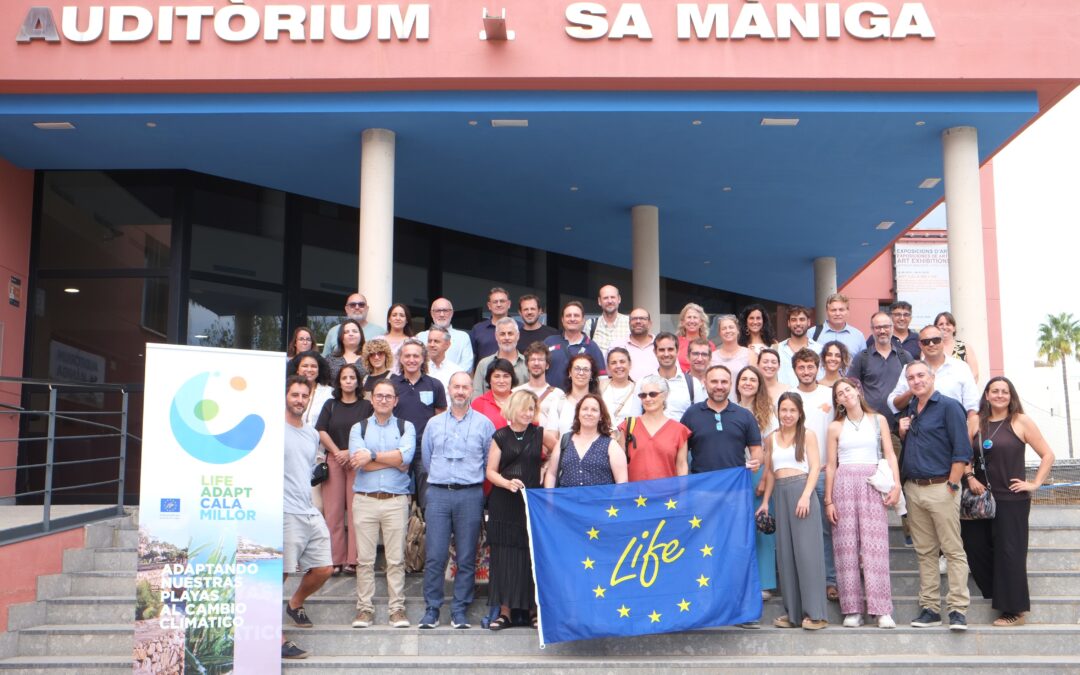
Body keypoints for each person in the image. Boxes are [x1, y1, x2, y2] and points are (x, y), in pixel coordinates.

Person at [961, 377, 1055, 627]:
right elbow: (962, 454)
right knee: (975, 546)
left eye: (1005, 391)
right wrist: (969, 476)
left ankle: (1014, 610)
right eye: (995, 391)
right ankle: (996, 593)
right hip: (978, 498)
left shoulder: (1020, 421)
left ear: (1011, 396)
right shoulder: (975, 421)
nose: (1000, 395)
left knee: (1009, 553)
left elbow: (1048, 454)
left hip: (1012, 499)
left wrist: (1034, 483)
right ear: (987, 395)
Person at [897, 361, 972, 631]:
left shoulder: (949, 406)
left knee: (952, 550)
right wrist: (902, 431)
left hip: (942, 486)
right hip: (914, 488)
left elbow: (962, 450)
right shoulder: (910, 410)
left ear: (932, 377)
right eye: (911, 378)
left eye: (920, 376)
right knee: (925, 552)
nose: (916, 381)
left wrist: (952, 485)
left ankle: (957, 609)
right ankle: (930, 608)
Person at [419, 372, 497, 630]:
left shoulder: (485, 424)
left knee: (466, 556)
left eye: (465, 387)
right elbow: (427, 459)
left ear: (471, 391)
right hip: (439, 494)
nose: (461, 391)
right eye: (456, 387)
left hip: (470, 494)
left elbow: (488, 462)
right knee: (435, 556)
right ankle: (432, 609)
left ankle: (459, 610)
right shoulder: (434, 423)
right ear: (449, 390)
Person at [824, 378, 900, 629]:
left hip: (871, 480)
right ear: (837, 401)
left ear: (857, 391)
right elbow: (832, 464)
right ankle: (853, 609)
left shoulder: (878, 420)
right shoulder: (835, 426)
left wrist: (896, 485)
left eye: (848, 389)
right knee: (845, 547)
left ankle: (881, 610)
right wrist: (829, 500)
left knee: (874, 545)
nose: (845, 394)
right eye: (839, 393)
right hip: (844, 482)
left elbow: (889, 453)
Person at [347, 379, 415, 629]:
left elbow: (406, 457)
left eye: (389, 396)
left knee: (396, 559)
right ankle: (364, 610)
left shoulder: (406, 426)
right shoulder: (359, 428)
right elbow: (358, 461)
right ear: (372, 399)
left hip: (395, 501)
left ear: (395, 401)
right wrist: (393, 460)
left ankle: (397, 610)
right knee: (364, 560)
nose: (384, 400)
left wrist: (372, 455)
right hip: (365, 500)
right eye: (379, 396)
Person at [757, 392, 828, 630]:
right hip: (780, 495)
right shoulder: (770, 438)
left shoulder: (807, 435)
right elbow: (769, 472)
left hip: (801, 491)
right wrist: (766, 502)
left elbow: (816, 466)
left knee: (808, 554)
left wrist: (807, 495)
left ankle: (816, 614)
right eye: (783, 410)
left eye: (792, 411)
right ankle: (794, 614)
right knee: (786, 555)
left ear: (800, 413)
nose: (787, 415)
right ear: (778, 412)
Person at [281, 375, 334, 659]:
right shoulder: (272, 430)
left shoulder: (312, 434)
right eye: (294, 395)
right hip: (284, 510)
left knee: (325, 567)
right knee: (281, 573)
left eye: (304, 395)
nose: (299, 400)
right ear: (286, 396)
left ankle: (295, 603)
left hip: (308, 509)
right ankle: (275, 638)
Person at [485, 390, 545, 630]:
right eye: (524, 408)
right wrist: (507, 483)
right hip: (504, 502)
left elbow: (559, 450)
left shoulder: (540, 434)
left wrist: (545, 470)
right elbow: (490, 471)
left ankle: (533, 610)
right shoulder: (500, 436)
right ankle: (505, 612)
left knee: (530, 556)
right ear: (513, 409)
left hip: (530, 504)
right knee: (504, 557)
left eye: (532, 409)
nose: (528, 413)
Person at [315, 364, 373, 576]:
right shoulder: (330, 404)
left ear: (358, 381)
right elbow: (320, 430)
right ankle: (335, 559)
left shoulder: (366, 406)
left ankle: (354, 559)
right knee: (333, 512)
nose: (348, 381)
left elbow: (371, 432)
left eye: (352, 377)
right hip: (334, 461)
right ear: (338, 382)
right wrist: (338, 452)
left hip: (358, 460)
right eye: (344, 378)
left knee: (357, 511)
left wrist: (350, 452)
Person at [791, 347, 838, 600]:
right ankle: (801, 581)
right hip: (796, 474)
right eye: (801, 367)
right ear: (795, 370)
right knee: (799, 530)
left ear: (817, 368)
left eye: (810, 367)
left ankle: (830, 580)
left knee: (827, 530)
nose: (806, 371)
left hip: (824, 473)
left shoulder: (830, 395)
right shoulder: (790, 397)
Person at [735, 365, 778, 603]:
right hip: (734, 474)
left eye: (753, 379)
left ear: (760, 384)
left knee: (762, 526)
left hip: (758, 473)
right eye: (744, 378)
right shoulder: (730, 408)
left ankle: (765, 583)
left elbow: (771, 448)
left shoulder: (768, 412)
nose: (748, 383)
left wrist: (764, 476)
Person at [390, 338, 447, 507]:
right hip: (398, 449)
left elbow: (440, 418)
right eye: (407, 356)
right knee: (398, 498)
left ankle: (427, 531)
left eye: (416, 356)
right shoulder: (392, 385)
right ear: (400, 358)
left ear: (423, 359)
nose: (411, 360)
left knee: (428, 498)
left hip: (426, 449)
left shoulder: (435, 385)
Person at [888, 325, 980, 420]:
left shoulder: (961, 367)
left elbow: (972, 403)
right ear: (920, 345)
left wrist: (969, 428)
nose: (931, 344)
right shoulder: (910, 369)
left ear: (942, 341)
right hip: (922, 429)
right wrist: (912, 390)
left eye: (936, 340)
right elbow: (894, 404)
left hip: (954, 426)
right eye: (926, 342)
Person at [544, 393, 628, 487]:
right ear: (578, 414)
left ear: (601, 416)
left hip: (600, 501)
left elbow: (622, 480)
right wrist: (549, 500)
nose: (589, 413)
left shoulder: (611, 445)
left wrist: (612, 502)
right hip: (566, 501)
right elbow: (551, 474)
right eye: (585, 409)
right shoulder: (564, 441)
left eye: (594, 410)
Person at [848, 312, 913, 432]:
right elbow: (850, 388)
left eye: (886, 327)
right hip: (869, 426)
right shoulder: (862, 358)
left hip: (898, 427)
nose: (882, 331)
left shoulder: (905, 357)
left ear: (892, 328)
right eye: (878, 327)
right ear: (872, 330)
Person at [617, 375, 690, 481]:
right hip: (635, 495)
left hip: (668, 495)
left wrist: (682, 495)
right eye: (643, 395)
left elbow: (682, 466)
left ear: (665, 395)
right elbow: (619, 465)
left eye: (653, 394)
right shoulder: (628, 426)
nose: (647, 399)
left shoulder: (679, 430)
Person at [512, 341, 565, 455]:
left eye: (540, 360)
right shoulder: (516, 393)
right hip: (521, 452)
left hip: (549, 452)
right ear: (527, 364)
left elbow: (561, 427)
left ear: (547, 365)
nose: (536, 363)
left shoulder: (558, 394)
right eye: (532, 360)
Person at [543, 300, 606, 387]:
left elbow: (602, 379)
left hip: (581, 399)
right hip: (551, 398)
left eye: (576, 316)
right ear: (562, 320)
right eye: (568, 316)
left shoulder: (592, 347)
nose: (572, 319)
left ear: (583, 320)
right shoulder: (549, 342)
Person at [647, 332, 702, 422]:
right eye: (661, 350)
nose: (666, 354)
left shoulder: (693, 384)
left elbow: (700, 419)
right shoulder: (644, 383)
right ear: (655, 352)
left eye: (670, 349)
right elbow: (635, 418)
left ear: (678, 351)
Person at [416, 298, 475, 374]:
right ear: (431, 313)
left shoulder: (463, 337)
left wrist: (450, 379)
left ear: (452, 313)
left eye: (445, 311)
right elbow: (417, 362)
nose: (442, 314)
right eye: (438, 311)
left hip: (453, 383)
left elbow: (467, 365)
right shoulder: (421, 337)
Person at [473, 317, 528, 396]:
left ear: (518, 335)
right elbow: (476, 396)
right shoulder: (484, 364)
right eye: (502, 334)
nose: (506, 338)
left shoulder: (527, 364)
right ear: (496, 336)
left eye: (510, 333)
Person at [323, 292, 386, 357]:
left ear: (367, 309)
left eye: (361, 305)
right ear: (346, 309)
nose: (357, 307)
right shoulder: (333, 331)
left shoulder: (380, 332)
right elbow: (324, 361)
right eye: (352, 305)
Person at [554, 352, 602, 436]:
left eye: (586, 369)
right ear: (570, 372)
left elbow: (613, 433)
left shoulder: (599, 403)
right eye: (577, 368)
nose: (581, 373)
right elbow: (551, 434)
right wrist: (566, 449)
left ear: (591, 375)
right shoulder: (558, 402)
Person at [610, 308, 659, 382]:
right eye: (634, 319)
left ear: (650, 323)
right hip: (626, 392)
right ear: (629, 323)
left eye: (642, 318)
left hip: (655, 391)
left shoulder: (660, 345)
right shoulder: (617, 345)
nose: (638, 321)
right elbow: (610, 374)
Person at [777, 306, 821, 387]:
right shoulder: (777, 349)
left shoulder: (819, 349)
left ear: (809, 322)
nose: (798, 323)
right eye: (794, 320)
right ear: (788, 323)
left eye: (802, 319)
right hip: (784, 397)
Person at [812, 293, 865, 359]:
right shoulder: (812, 333)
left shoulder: (858, 336)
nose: (837, 313)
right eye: (833, 310)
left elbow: (864, 364)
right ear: (827, 311)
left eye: (841, 310)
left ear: (847, 311)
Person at [600, 347, 642, 429]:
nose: (618, 366)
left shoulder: (639, 390)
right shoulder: (600, 387)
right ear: (608, 367)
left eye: (622, 362)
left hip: (630, 438)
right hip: (604, 437)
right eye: (613, 363)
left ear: (630, 364)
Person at [585, 284, 630, 357]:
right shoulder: (590, 324)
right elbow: (586, 352)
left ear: (619, 299)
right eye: (605, 298)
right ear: (599, 301)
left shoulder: (629, 322)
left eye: (613, 297)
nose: (609, 301)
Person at [471, 358, 517, 429]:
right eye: (497, 376)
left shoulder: (521, 402)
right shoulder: (478, 404)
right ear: (489, 380)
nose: (501, 381)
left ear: (512, 379)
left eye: (506, 376)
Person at [935, 311, 981, 382]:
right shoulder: (930, 348)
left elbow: (974, 374)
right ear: (935, 328)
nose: (944, 327)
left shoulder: (965, 348)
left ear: (954, 328)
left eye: (948, 324)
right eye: (941, 324)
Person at [471, 287, 514, 361]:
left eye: (502, 301)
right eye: (495, 302)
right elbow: (471, 357)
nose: (499, 304)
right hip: (484, 372)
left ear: (509, 304)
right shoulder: (478, 329)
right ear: (489, 305)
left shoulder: (519, 328)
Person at [712, 315, 754, 387]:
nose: (728, 331)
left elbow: (755, 381)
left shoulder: (750, 354)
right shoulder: (712, 357)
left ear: (738, 330)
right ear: (719, 333)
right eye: (724, 328)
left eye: (731, 327)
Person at [676, 302, 714, 373]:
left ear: (701, 322)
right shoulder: (675, 343)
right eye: (689, 317)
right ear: (683, 322)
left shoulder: (709, 345)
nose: (692, 321)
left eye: (695, 317)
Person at [425, 326, 463, 392]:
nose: (432, 344)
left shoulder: (456, 371)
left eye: (436, 341)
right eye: (429, 341)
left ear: (447, 345)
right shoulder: (419, 369)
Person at [384, 303, 414, 367]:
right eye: (394, 315)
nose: (398, 318)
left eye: (402, 315)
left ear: (406, 320)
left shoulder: (413, 341)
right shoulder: (379, 340)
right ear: (389, 319)